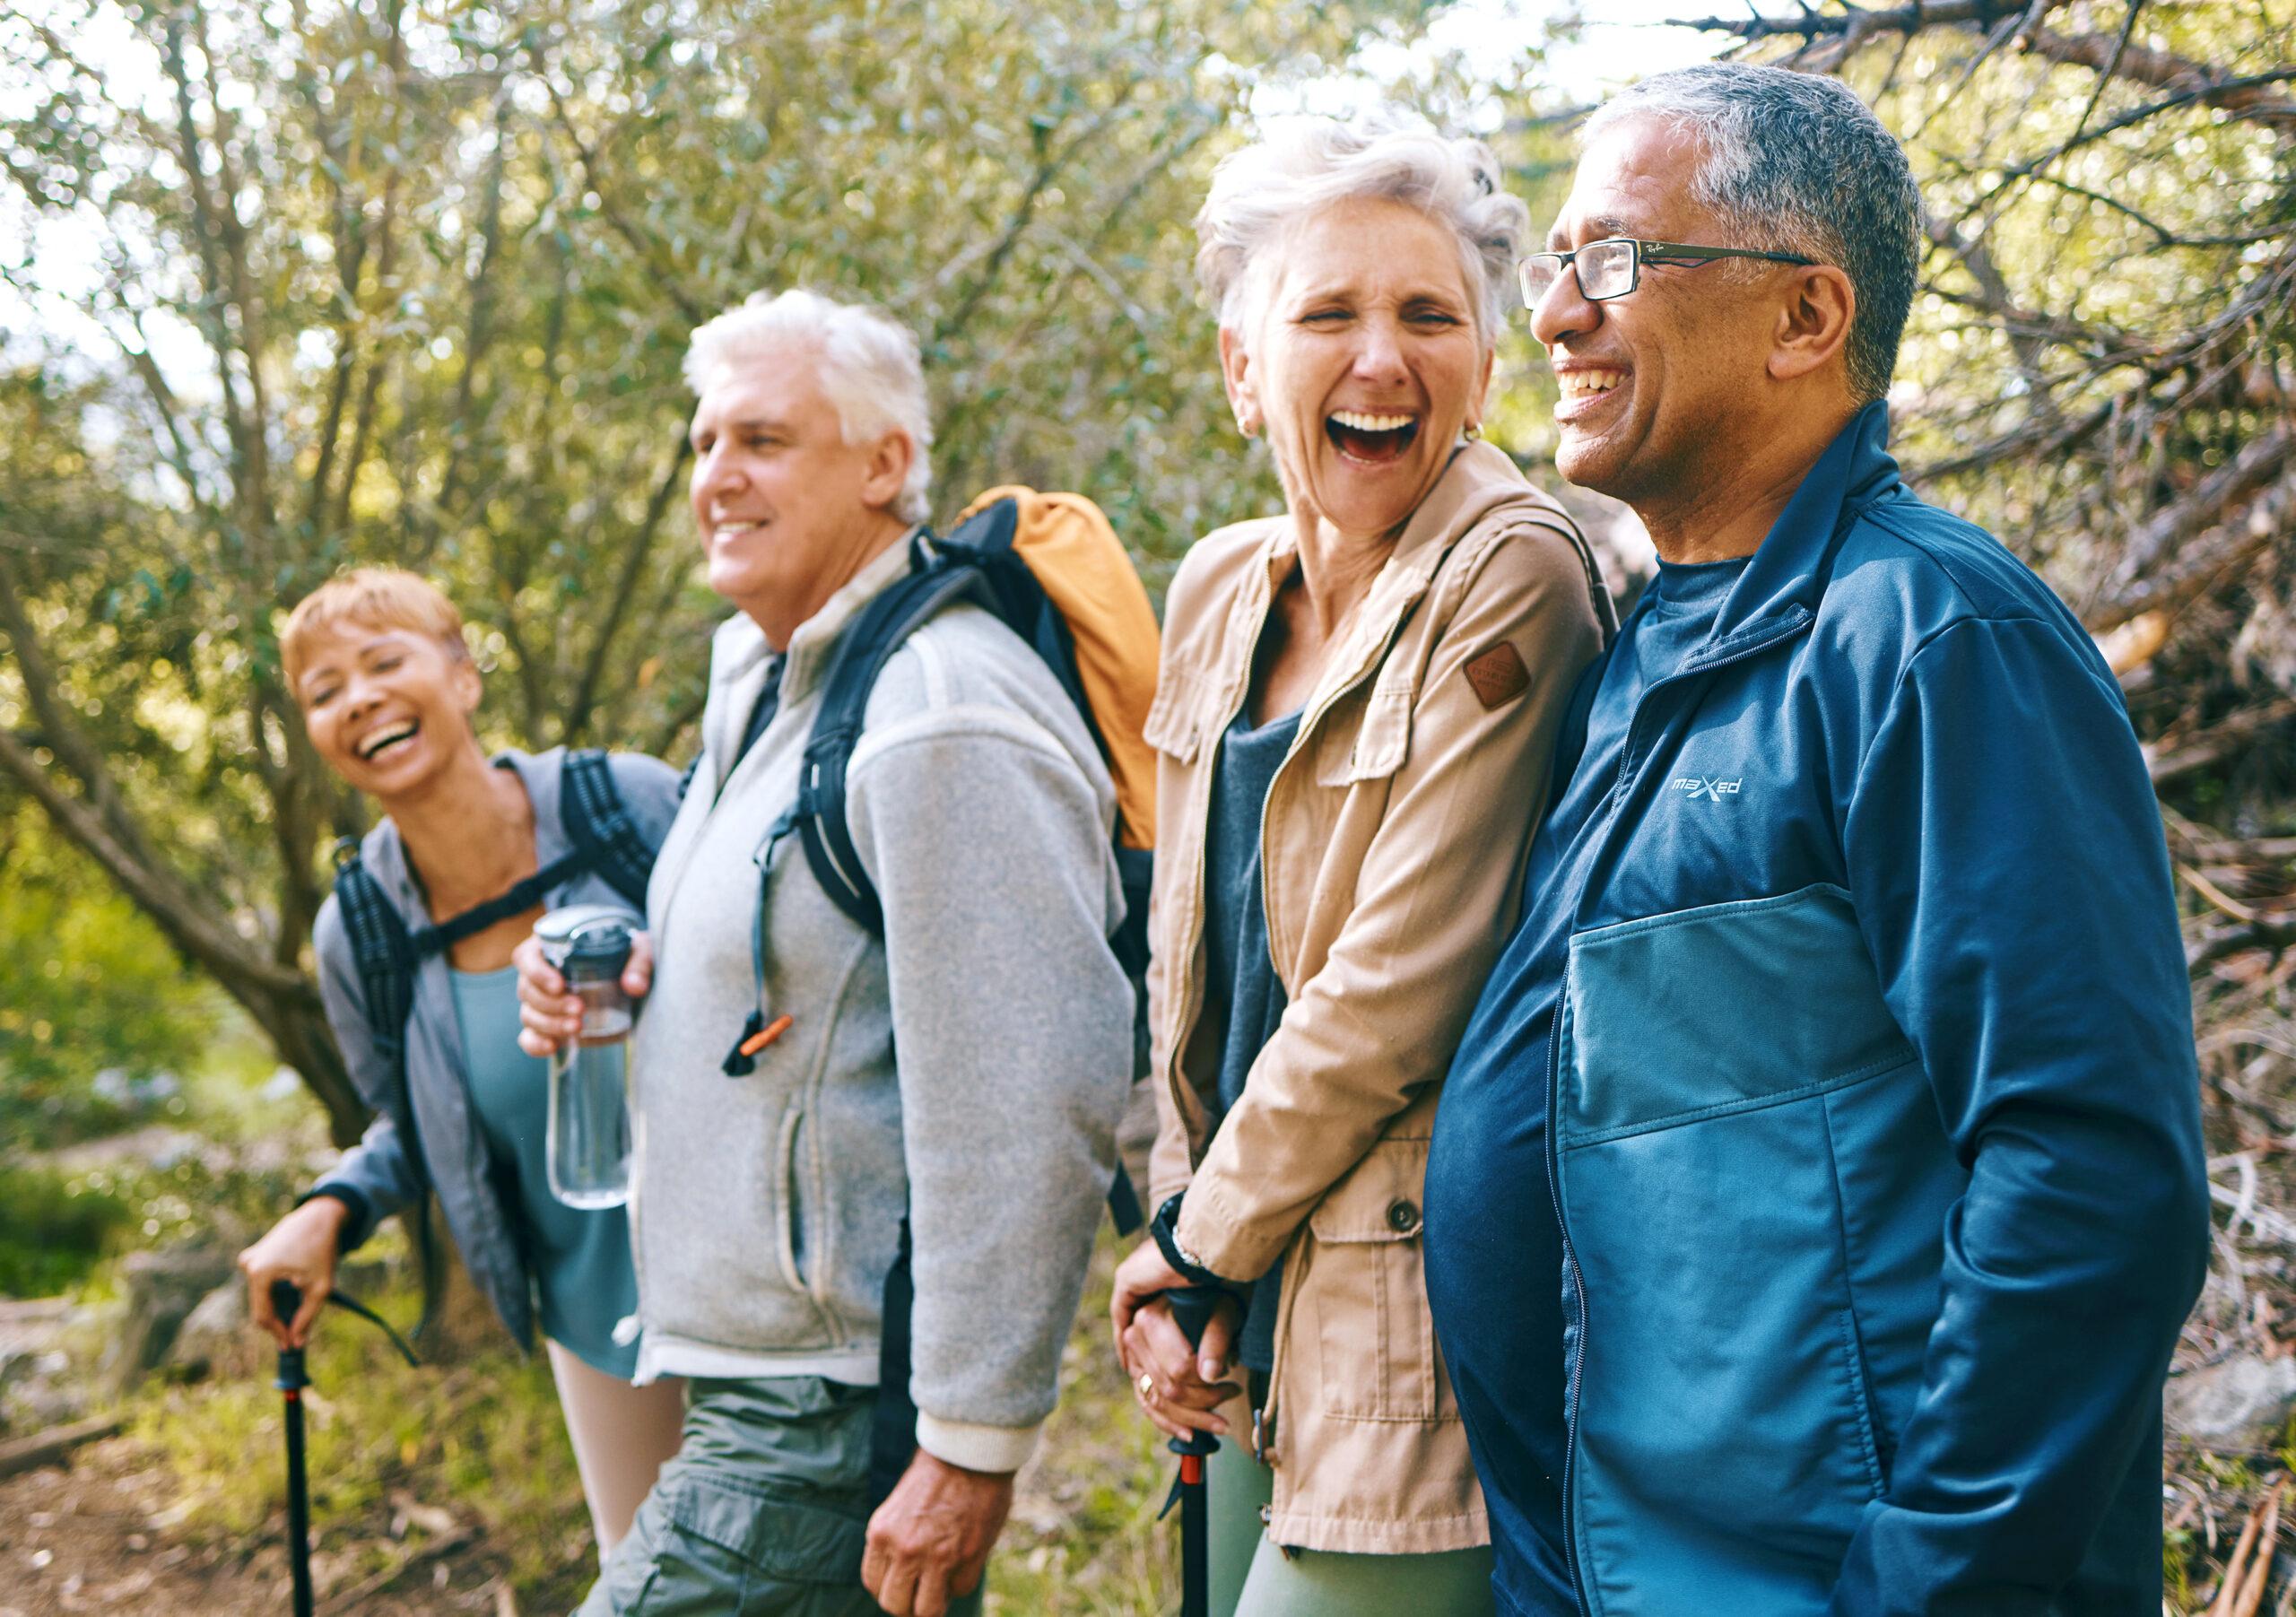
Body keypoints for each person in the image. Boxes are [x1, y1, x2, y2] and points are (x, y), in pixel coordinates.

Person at [1422, 61, 2212, 1617]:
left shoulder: (1928, 637)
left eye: (1620, 260)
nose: (1563, 313)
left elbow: (2093, 1175)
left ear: (1806, 318)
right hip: (1611, 1573)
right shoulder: (1648, 645)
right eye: (1554, 262)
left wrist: (1919, 1588)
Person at [514, 288, 1135, 1617]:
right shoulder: (771, 681)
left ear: (886, 463)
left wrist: (968, 1444)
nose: (716, 476)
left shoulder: (936, 707)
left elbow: (1035, 1086)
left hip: (822, 1414)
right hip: (751, 1377)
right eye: (701, 443)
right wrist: (636, 973)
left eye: (762, 440)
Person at [1107, 116, 1609, 1617]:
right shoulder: (1213, 589)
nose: (1381, 356)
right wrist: (1182, 1239)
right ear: (1242, 367)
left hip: (1408, 1323)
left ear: (1488, 366)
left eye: (1429, 314)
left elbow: (1397, 990)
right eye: (1327, 313)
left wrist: (1193, 1240)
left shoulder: (1515, 572)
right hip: (1241, 1276)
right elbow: (1183, 967)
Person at [234, 568, 687, 1560]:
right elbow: (417, 1123)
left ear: (464, 677)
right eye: (324, 691)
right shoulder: (361, 930)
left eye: (384, 663)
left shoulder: (627, 804)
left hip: (758, 1277)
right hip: (593, 1317)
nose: (358, 698)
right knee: (650, 1579)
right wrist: (330, 1208)